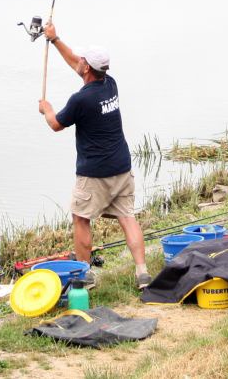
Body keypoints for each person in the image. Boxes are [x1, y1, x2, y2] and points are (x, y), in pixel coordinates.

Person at [38, 22, 150, 290]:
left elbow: (56, 125)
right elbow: (74, 62)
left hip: (94, 174)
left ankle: (84, 276)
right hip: (122, 168)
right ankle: (142, 273)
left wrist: (47, 109)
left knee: (80, 218)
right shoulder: (110, 83)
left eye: (82, 60)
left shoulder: (81, 100)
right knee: (127, 217)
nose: (79, 61)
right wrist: (54, 40)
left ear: (87, 67)